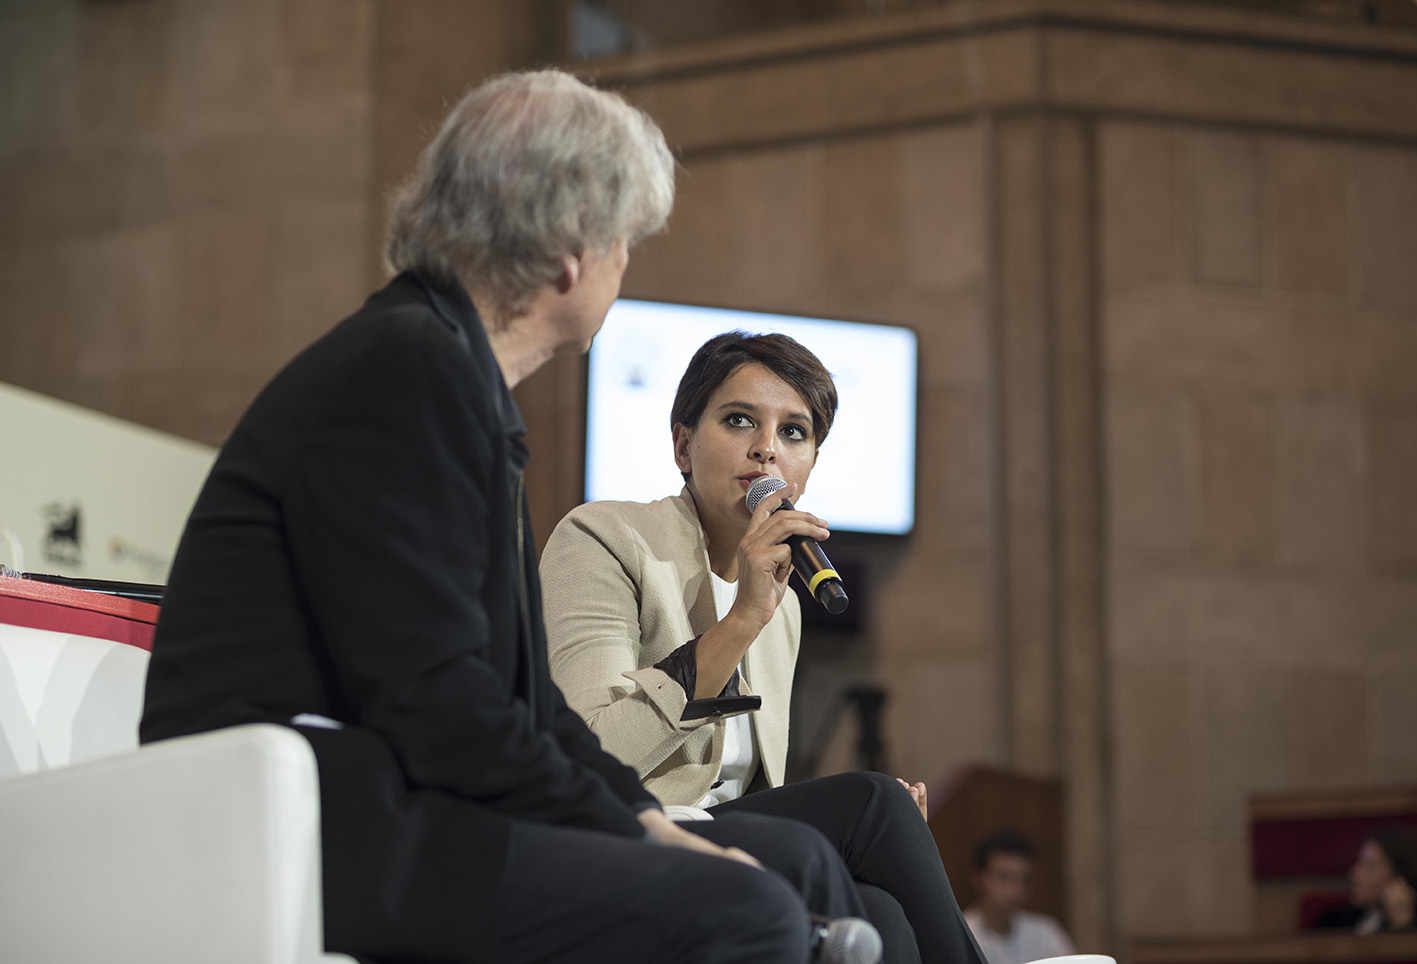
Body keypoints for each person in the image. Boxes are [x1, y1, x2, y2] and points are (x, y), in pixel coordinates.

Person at [139, 70, 871, 964]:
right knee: (747, 911)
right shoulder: (408, 371)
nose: (623, 266)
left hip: (385, 806)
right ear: (571, 249)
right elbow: (440, 698)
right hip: (304, 827)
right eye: (625, 243)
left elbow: (521, 712)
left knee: (779, 865)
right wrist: (639, 834)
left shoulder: (443, 374)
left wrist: (643, 819)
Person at [540, 331, 986, 964]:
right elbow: (587, 755)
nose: (766, 450)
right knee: (872, 805)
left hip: (722, 839)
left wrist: (871, 824)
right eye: (740, 420)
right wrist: (741, 619)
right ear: (683, 445)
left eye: (795, 433)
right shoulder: (604, 538)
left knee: (881, 908)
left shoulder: (786, 608)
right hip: (619, 831)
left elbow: (744, 795)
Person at [962, 832, 1074, 964]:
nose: (1015, 890)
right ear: (978, 877)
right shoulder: (960, 937)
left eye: (1024, 880)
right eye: (1004, 878)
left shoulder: (1046, 933)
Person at [1313, 826, 1417, 933]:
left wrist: (1403, 926)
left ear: (1400, 877)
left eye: (1369, 866)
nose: (1354, 874)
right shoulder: (1333, 922)